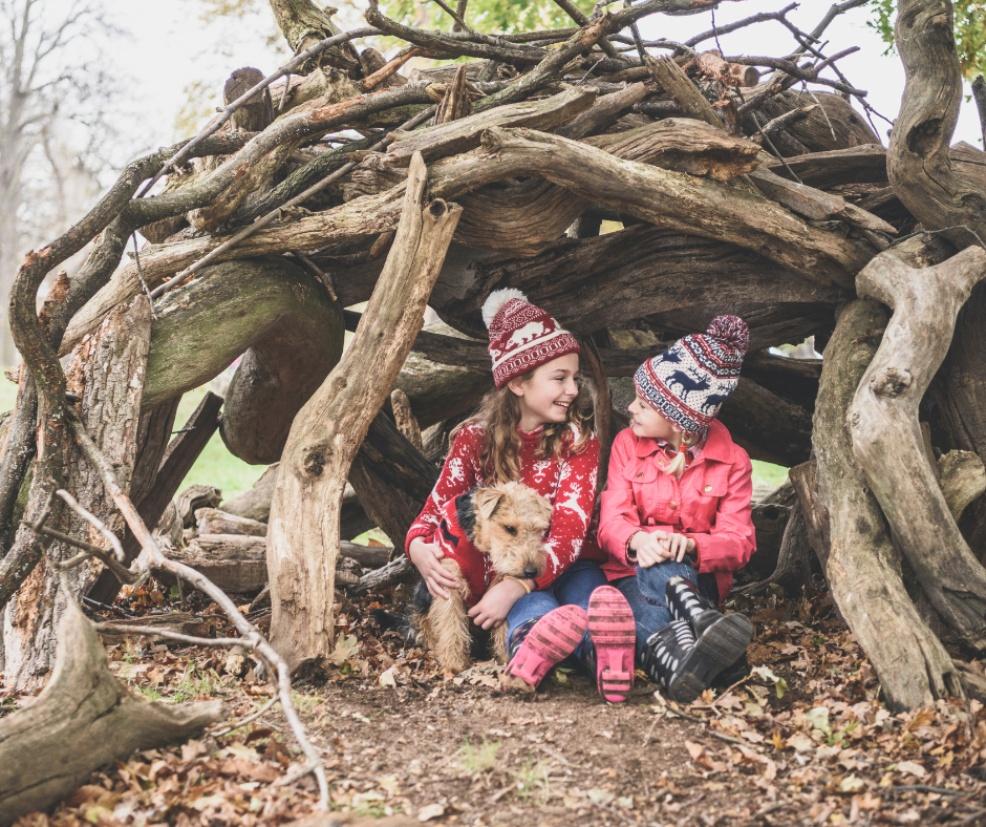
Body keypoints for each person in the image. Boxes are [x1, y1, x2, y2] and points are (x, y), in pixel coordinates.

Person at [405, 289, 635, 701]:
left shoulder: (576, 443)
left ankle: (610, 654)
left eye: (574, 379)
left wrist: (516, 586)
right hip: (514, 574)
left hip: (571, 564)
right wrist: (419, 548)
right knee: (535, 618)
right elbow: (437, 507)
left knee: (590, 605)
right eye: (559, 379)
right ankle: (543, 651)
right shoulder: (474, 440)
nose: (571, 390)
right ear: (517, 382)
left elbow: (567, 531)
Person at [596, 315, 757, 702]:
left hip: (696, 579)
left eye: (644, 404)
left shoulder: (733, 461)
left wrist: (690, 546)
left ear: (678, 420)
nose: (630, 407)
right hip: (630, 574)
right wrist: (637, 540)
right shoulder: (625, 445)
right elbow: (611, 521)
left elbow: (740, 542)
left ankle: (689, 631)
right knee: (636, 614)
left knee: (663, 572)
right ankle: (699, 644)